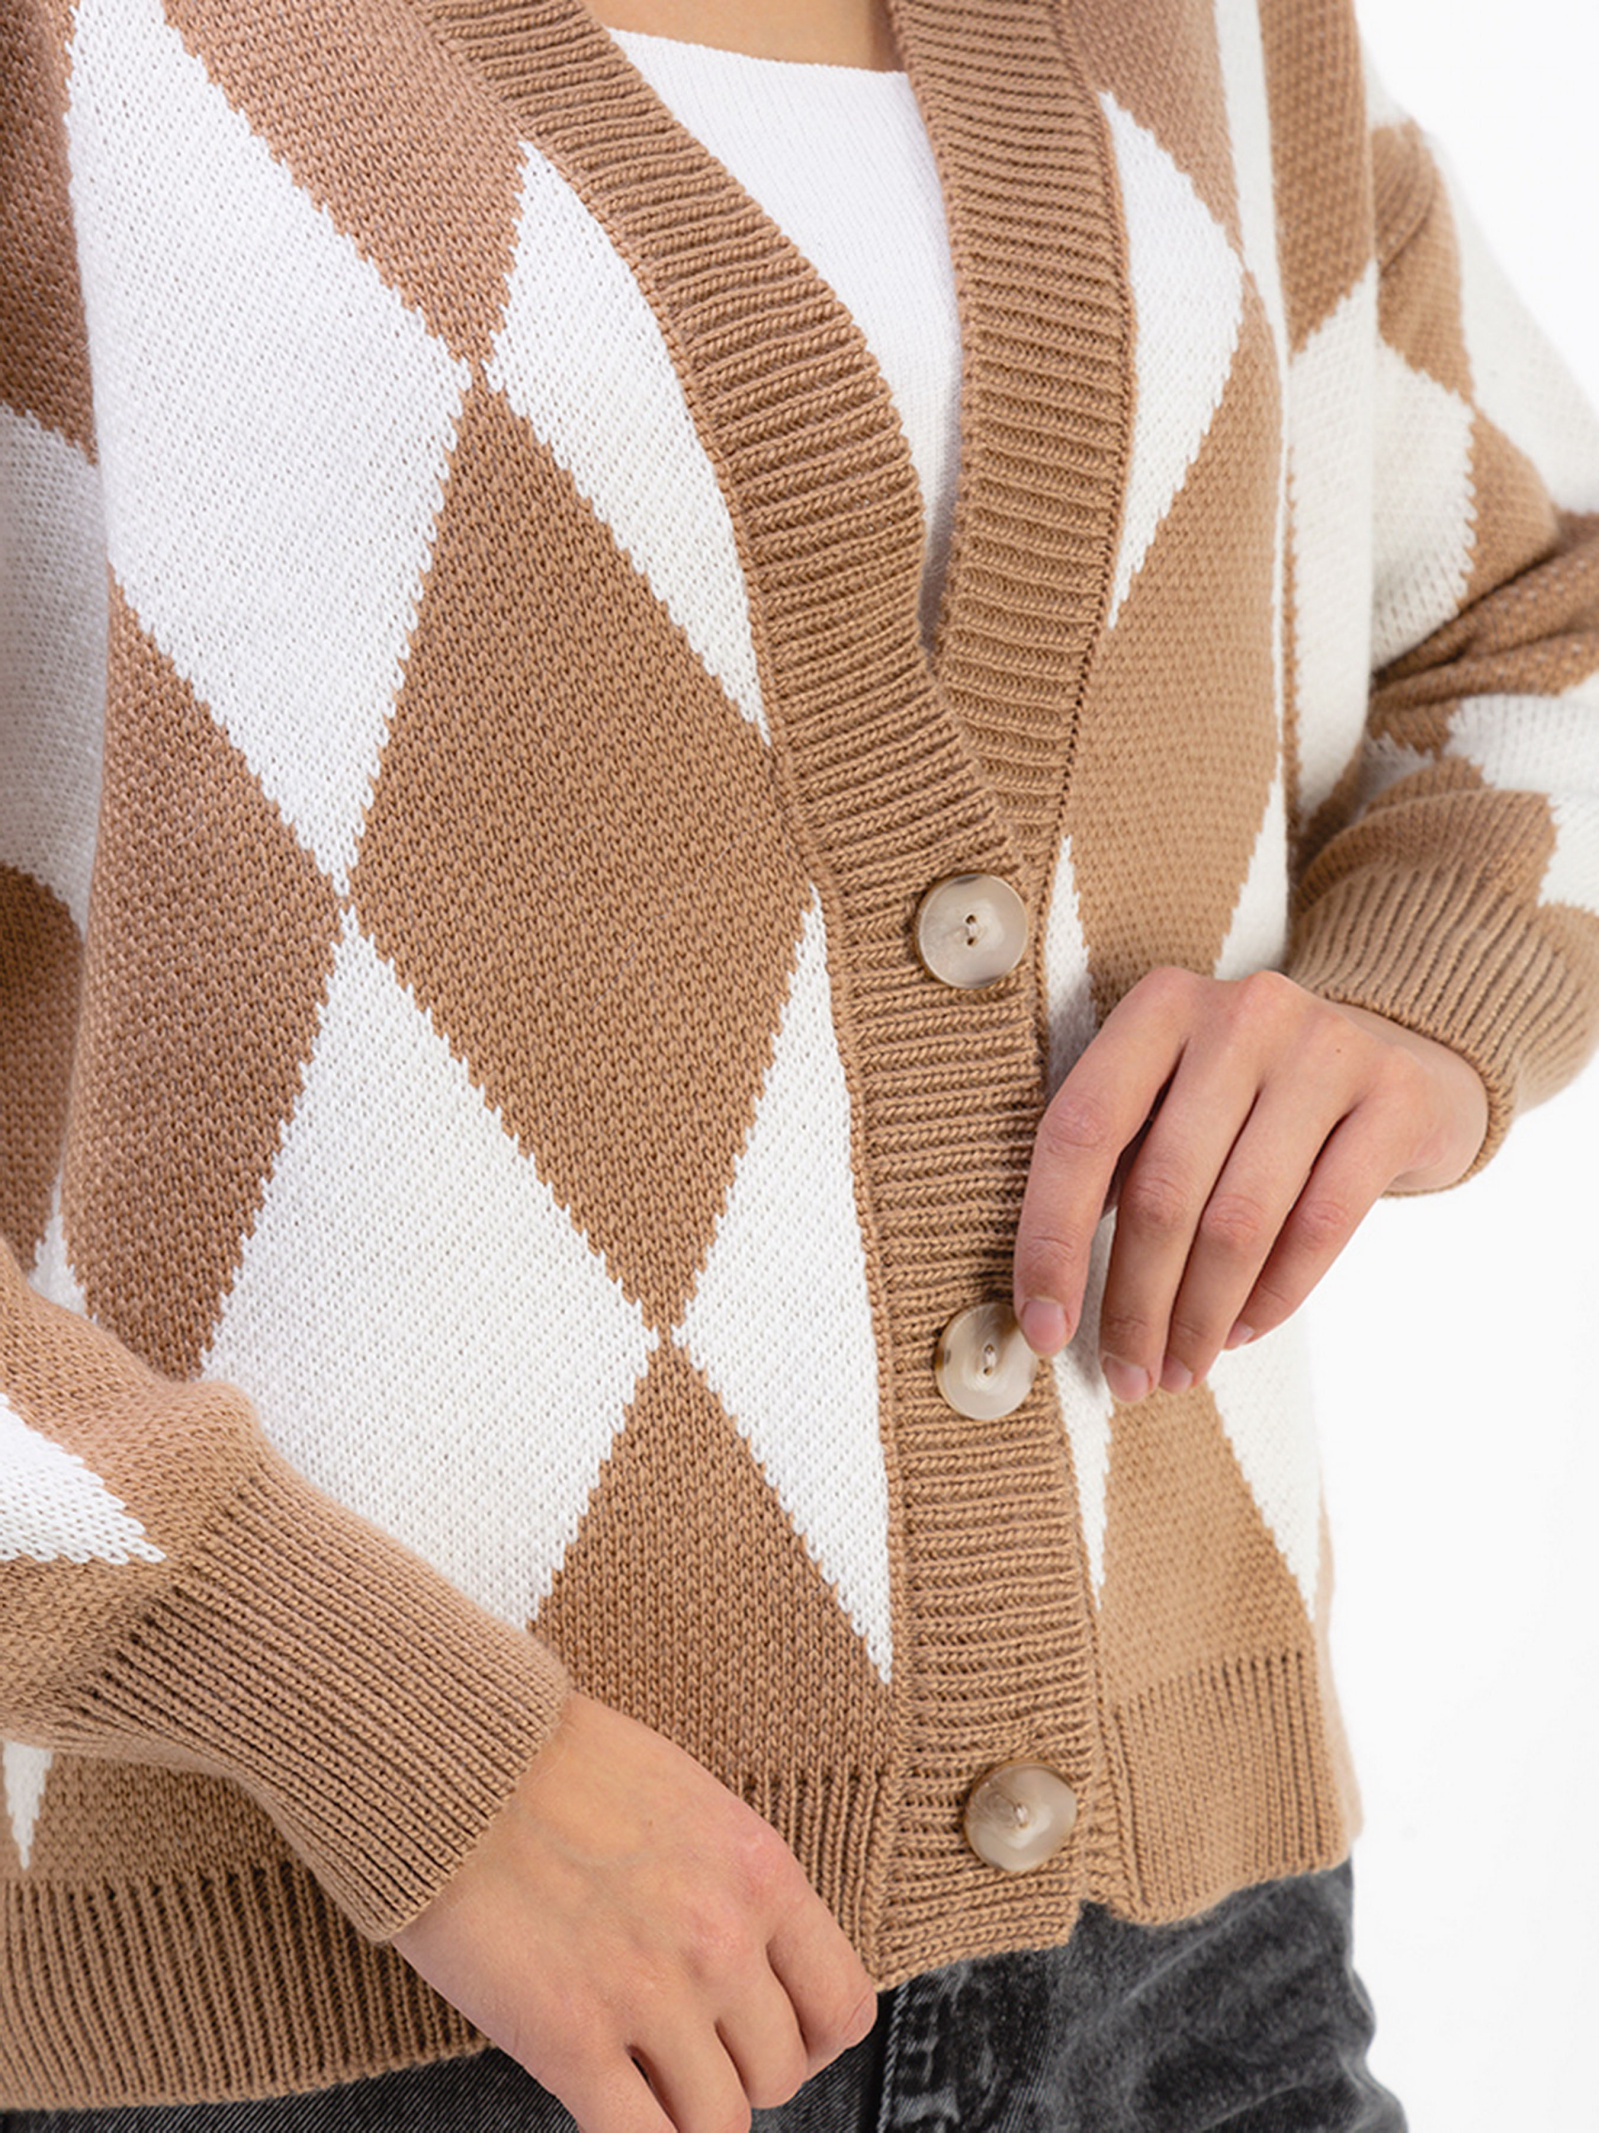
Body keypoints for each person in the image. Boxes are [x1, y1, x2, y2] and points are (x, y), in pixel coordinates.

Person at [2, 0, 1595, 2126]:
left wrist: (1424, 987)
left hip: (1176, 1971)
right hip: (332, 1982)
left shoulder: (1212, 29)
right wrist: (385, 1732)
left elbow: (1549, 613)